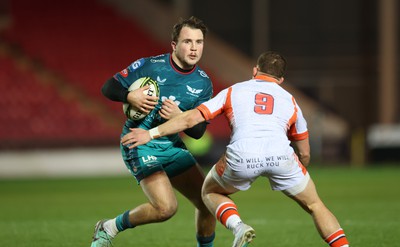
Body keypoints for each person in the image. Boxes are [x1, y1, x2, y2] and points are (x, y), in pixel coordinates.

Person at [121, 51, 350, 247]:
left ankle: (238, 226)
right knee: (315, 204)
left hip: (243, 156)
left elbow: (191, 119)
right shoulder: (290, 100)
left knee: (209, 192)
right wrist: (297, 171)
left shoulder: (234, 91)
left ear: (254, 70)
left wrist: (150, 133)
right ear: (281, 79)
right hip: (282, 156)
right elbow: (306, 152)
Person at [90, 16, 216, 247]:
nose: (194, 48)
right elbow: (109, 87)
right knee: (166, 208)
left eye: (199, 42)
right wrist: (129, 95)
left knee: (209, 202)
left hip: (171, 146)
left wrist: (180, 116)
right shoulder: (149, 65)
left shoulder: (203, 83)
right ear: (174, 45)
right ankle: (109, 226)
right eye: (188, 41)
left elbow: (198, 132)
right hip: (139, 143)